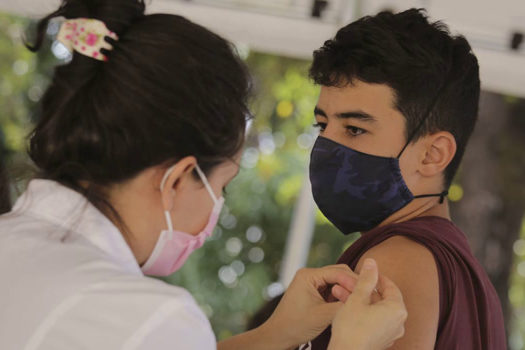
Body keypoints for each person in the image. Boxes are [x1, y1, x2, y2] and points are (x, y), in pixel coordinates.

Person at [0, 1, 407, 349]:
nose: (215, 213)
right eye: (221, 186)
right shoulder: (147, 318)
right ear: (177, 179)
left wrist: (276, 333)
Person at [304, 8, 506, 350]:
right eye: (323, 125)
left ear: (433, 154)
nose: (326, 146)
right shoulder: (464, 275)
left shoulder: (394, 264)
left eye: (354, 129)